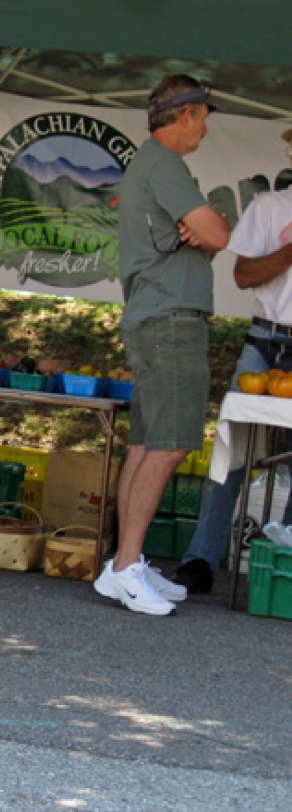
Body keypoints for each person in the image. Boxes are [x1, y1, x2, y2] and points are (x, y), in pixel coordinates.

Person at [95, 74, 231, 615]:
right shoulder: (166, 165)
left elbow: (209, 236)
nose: (203, 132)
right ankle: (127, 565)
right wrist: (207, 226)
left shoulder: (149, 167)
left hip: (156, 316)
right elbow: (218, 235)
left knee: (148, 444)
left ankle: (122, 565)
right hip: (171, 319)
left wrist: (206, 229)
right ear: (185, 116)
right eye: (203, 120)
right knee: (171, 444)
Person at [173, 128, 292, 594]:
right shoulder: (270, 206)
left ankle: (282, 560)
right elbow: (243, 276)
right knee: (232, 452)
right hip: (266, 340)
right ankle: (201, 558)